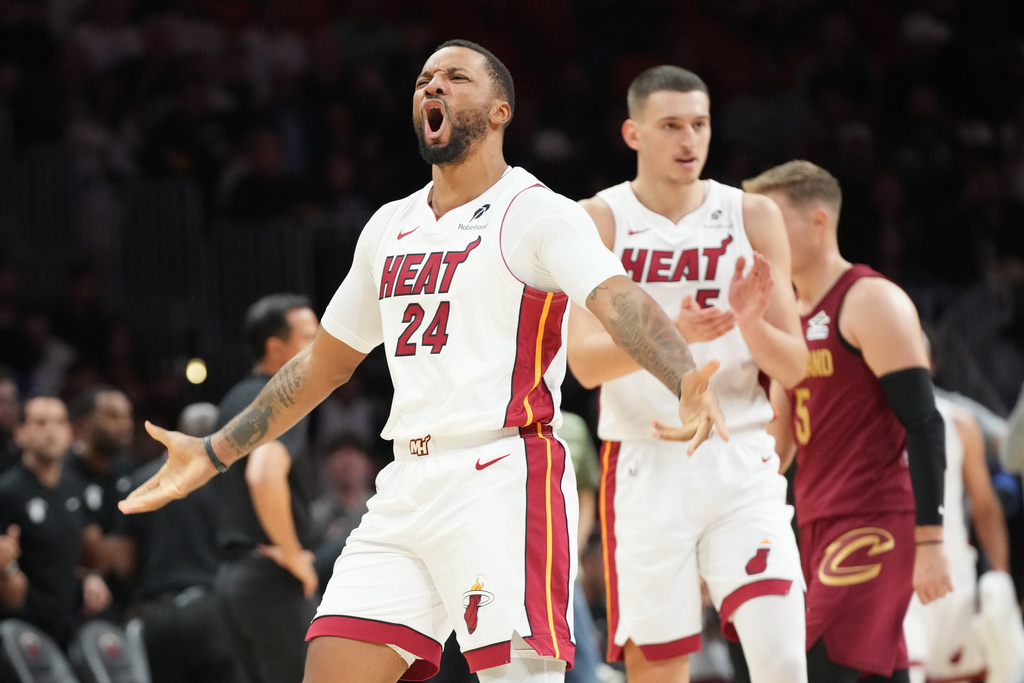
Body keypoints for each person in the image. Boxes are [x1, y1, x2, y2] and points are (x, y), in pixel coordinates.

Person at [118, 39, 725, 683]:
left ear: (499, 112)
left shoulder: (537, 213)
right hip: (407, 481)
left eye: (455, 78)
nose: (432, 87)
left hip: (502, 474)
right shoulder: (389, 225)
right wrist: (214, 451)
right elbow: (322, 365)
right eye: (423, 79)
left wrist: (683, 376)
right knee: (331, 668)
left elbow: (618, 300)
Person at [566, 65, 808, 683]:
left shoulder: (750, 216)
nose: (689, 140)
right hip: (645, 459)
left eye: (699, 124)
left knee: (782, 662)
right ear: (633, 133)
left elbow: (796, 366)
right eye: (671, 125)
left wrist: (751, 324)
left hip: (739, 454)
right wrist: (667, 335)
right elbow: (584, 364)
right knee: (660, 670)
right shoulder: (598, 221)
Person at [742, 160, 952, 683]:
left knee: (814, 664)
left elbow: (925, 423)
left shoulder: (870, 299)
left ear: (818, 222)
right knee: (875, 672)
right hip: (816, 518)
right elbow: (782, 443)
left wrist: (931, 541)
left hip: (874, 517)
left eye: (774, 222)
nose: (760, 239)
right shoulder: (786, 312)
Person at [207, 293, 320, 683]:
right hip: (270, 576)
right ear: (276, 347)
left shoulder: (234, 397)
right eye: (309, 338)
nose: (321, 348)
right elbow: (263, 475)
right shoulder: (285, 395)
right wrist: (293, 556)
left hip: (231, 581)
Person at [903, 345, 1024, 683]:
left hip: (954, 576)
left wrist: (1000, 579)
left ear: (932, 362)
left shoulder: (959, 421)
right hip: (901, 582)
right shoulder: (867, 423)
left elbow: (986, 507)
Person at [113, 401, 242, 683]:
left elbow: (123, 560)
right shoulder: (230, 483)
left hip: (157, 613)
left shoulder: (143, 479)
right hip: (213, 609)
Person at [0, 396, 111, 649]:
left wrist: (90, 577)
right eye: (40, 423)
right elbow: (10, 593)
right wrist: (5, 570)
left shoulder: (74, 485)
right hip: (23, 634)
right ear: (20, 433)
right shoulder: (8, 493)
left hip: (70, 627)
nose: (51, 431)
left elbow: (71, 557)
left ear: (70, 433)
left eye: (59, 422)